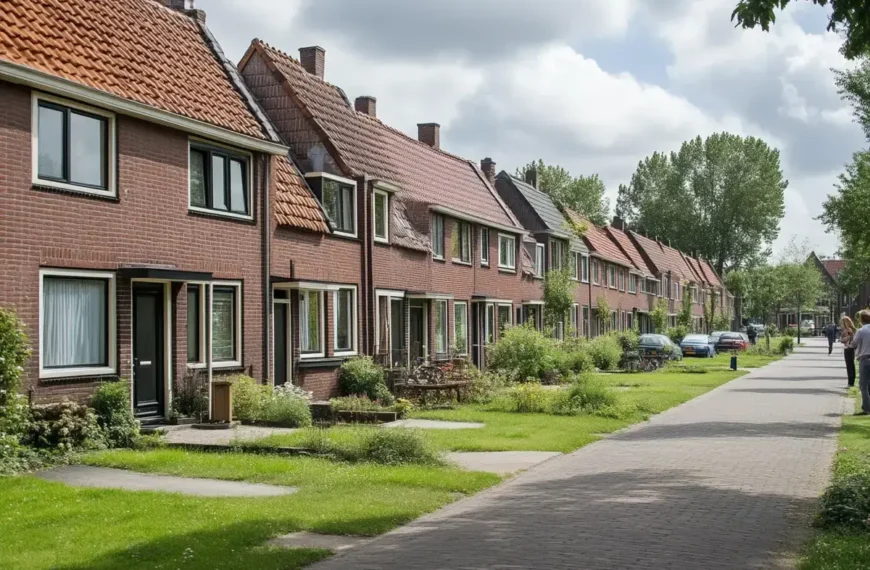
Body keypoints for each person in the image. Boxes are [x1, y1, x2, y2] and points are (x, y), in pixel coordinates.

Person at [850, 310, 870, 415]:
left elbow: (854, 344)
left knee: (863, 385)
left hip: (865, 359)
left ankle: (867, 409)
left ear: (861, 319)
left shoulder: (861, 331)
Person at [841, 316, 857, 388]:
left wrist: (846, 337)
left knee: (849, 366)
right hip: (849, 348)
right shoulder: (850, 329)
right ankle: (851, 382)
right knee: (851, 365)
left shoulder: (848, 330)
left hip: (849, 348)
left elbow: (844, 340)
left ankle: (851, 383)